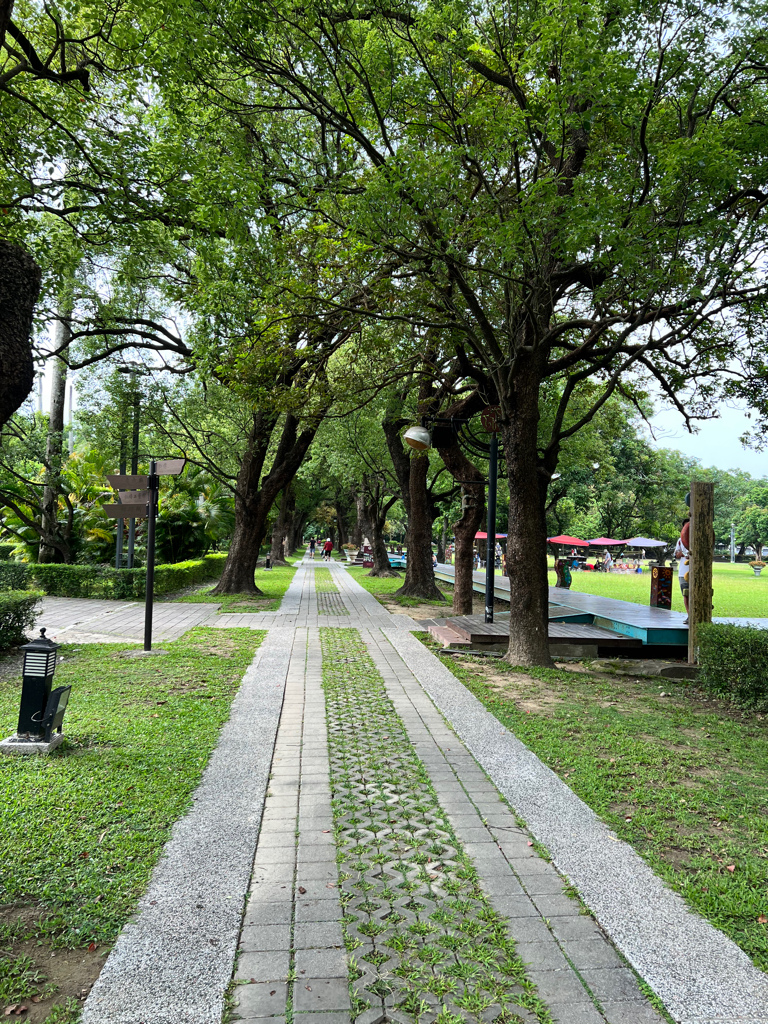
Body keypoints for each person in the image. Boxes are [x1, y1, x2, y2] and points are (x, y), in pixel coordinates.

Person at [674, 518, 691, 623]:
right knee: (685, 593)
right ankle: (689, 615)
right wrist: (684, 554)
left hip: (696, 572)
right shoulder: (680, 541)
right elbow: (676, 554)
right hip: (683, 572)